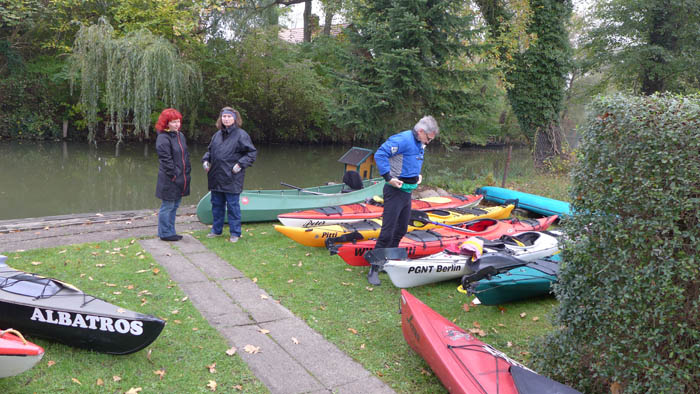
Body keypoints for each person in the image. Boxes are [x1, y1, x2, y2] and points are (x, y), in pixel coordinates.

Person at [367, 115, 439, 284]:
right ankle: (374, 268)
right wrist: (388, 177)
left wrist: (417, 176)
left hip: (407, 192)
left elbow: (411, 160)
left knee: (400, 229)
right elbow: (380, 154)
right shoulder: (403, 139)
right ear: (421, 131)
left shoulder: (419, 142)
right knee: (388, 231)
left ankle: (388, 261)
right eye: (428, 138)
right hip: (394, 191)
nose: (428, 142)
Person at [202, 107, 257, 243]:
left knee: (233, 207)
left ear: (234, 118)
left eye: (229, 116)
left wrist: (240, 164)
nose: (226, 119)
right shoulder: (217, 135)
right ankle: (216, 230)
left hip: (232, 177)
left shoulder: (241, 134)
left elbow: (251, 153)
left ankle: (235, 233)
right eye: (224, 116)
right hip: (216, 177)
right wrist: (205, 160)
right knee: (217, 206)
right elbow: (210, 151)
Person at [154, 108, 191, 241]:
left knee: (175, 205)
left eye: (178, 121)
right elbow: (166, 160)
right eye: (173, 122)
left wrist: (186, 172)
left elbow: (185, 156)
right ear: (166, 123)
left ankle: (170, 231)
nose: (177, 124)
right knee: (168, 206)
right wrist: (174, 175)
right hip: (170, 179)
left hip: (182, 177)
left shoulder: (180, 136)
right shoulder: (163, 138)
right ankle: (165, 233)